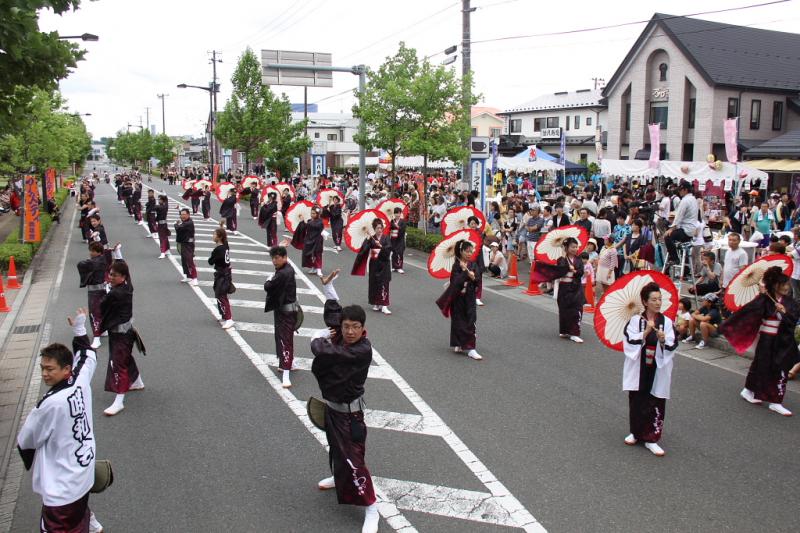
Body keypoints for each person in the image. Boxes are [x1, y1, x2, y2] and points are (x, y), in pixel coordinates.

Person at [17, 309, 103, 533]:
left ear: (66, 370)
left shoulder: (50, 404)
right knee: (79, 512)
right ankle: (91, 524)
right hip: (83, 472)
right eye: (42, 368)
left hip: (61, 490)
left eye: (50, 369)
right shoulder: (79, 381)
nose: (44, 374)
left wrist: (34, 462)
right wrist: (80, 329)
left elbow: (26, 441)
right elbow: (88, 355)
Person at [310, 275, 379, 533]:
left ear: (363, 328)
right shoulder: (342, 333)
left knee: (354, 459)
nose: (349, 331)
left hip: (351, 415)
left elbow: (328, 351)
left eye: (355, 327)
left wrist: (316, 340)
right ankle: (339, 480)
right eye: (346, 326)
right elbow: (334, 316)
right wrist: (328, 288)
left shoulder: (361, 349)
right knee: (335, 450)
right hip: (332, 409)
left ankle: (371, 507)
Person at [719, 266, 799, 416]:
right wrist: (763, 299)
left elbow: (793, 320)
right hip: (767, 338)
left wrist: (784, 313)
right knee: (761, 365)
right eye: (784, 284)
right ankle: (749, 390)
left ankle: (776, 401)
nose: (787, 287)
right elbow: (750, 312)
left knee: (781, 368)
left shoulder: (791, 302)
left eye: (788, 284)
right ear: (775, 284)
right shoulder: (765, 299)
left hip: (783, 340)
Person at [621, 282, 677, 457]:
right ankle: (636, 432)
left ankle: (652, 437)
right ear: (645, 302)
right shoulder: (636, 320)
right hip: (639, 365)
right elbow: (629, 341)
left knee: (655, 400)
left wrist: (662, 339)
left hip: (657, 365)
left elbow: (672, 343)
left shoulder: (666, 322)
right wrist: (645, 333)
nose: (658, 303)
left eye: (660, 299)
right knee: (637, 398)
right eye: (654, 299)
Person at [100, 261, 144, 416]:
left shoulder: (115, 293)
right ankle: (137, 381)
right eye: (110, 274)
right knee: (125, 358)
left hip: (121, 334)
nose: (111, 277)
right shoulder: (127, 286)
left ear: (123, 277)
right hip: (125, 332)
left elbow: (102, 306)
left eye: (114, 275)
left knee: (118, 363)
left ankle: (119, 401)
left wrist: (106, 290)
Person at [436, 240, 482, 360]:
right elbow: (455, 282)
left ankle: (471, 348)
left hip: (470, 297)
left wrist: (473, 277)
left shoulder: (473, 264)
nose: (469, 253)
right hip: (458, 298)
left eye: (471, 251)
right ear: (461, 252)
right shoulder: (457, 266)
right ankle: (459, 343)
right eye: (467, 251)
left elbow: (478, 280)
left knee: (471, 320)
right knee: (458, 320)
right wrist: (463, 272)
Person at [77, 241, 123, 350]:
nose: (90, 253)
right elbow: (106, 253)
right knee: (102, 311)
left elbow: (81, 265)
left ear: (98, 252)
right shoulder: (103, 259)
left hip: (94, 292)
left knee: (94, 314)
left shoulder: (94, 262)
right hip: (102, 289)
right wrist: (111, 250)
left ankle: (96, 337)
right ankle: (103, 330)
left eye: (92, 251)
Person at [264, 245, 298, 388]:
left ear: (284, 258)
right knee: (282, 337)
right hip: (286, 310)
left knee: (285, 340)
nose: (274, 261)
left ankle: (286, 373)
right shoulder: (287, 268)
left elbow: (268, 286)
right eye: (273, 258)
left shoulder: (283, 273)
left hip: (286, 312)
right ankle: (288, 363)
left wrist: (268, 279)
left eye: (277, 258)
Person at [351, 218, 392, 315]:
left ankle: (384, 305)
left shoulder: (386, 238)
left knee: (383, 283)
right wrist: (368, 241)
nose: (380, 230)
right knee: (374, 283)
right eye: (377, 228)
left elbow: (389, 248)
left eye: (381, 228)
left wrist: (381, 247)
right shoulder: (371, 238)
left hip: (384, 263)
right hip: (374, 263)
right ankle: (376, 303)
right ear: (374, 229)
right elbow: (363, 251)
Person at [664, 181, 698, 266]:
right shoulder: (693, 199)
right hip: (691, 229)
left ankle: (675, 258)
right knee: (683, 248)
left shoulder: (685, 200)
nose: (679, 191)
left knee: (667, 236)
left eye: (680, 189)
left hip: (686, 230)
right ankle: (686, 270)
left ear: (685, 190)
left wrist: (671, 229)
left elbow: (678, 217)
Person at [209, 228, 234, 329]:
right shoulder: (225, 245)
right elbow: (225, 240)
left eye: (214, 234)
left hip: (222, 274)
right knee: (222, 295)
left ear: (219, 237)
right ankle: (224, 316)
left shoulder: (218, 249)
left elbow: (210, 261)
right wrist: (221, 226)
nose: (213, 236)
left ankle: (229, 319)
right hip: (226, 272)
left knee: (221, 295)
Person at [290, 206, 325, 276]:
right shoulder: (309, 221)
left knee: (317, 254)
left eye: (314, 213)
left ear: (318, 214)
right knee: (308, 253)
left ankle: (318, 268)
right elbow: (305, 227)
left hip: (317, 240)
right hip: (309, 239)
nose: (312, 215)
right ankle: (313, 267)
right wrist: (302, 222)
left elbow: (315, 226)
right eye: (311, 213)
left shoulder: (320, 221)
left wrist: (304, 221)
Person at [175, 208, 198, 286]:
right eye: (181, 214)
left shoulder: (189, 223)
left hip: (188, 244)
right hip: (183, 243)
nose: (182, 216)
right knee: (184, 260)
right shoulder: (185, 222)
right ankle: (188, 276)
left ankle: (194, 278)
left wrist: (176, 224)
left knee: (189, 260)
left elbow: (178, 229)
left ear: (188, 215)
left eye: (184, 214)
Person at [468, 216, 487, 306]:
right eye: (471, 223)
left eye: (475, 223)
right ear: (469, 224)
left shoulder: (480, 233)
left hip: (478, 257)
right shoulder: (465, 233)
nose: (473, 225)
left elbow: (481, 243)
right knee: (468, 277)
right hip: (468, 257)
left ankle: (478, 297)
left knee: (479, 277)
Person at [389, 207, 407, 274]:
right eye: (396, 213)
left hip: (400, 239)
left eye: (399, 213)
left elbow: (403, 230)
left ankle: (399, 267)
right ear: (394, 213)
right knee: (394, 253)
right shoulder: (392, 221)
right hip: (393, 239)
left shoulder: (403, 221)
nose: (398, 214)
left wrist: (398, 227)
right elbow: (389, 229)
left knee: (400, 252)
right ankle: (394, 266)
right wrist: (391, 230)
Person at [155, 194, 171, 259]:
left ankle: (162, 252)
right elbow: (166, 201)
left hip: (161, 225)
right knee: (165, 237)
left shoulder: (161, 207)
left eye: (159, 199)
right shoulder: (165, 205)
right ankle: (167, 250)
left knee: (162, 238)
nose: (158, 200)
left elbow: (155, 207)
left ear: (162, 200)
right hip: (163, 224)